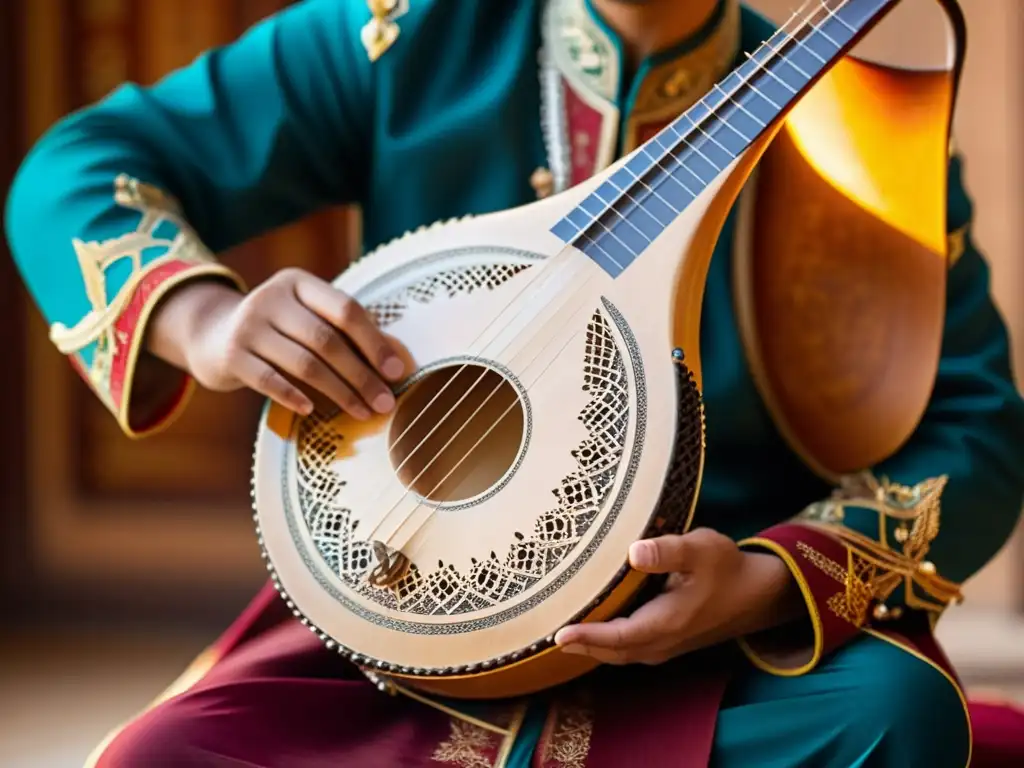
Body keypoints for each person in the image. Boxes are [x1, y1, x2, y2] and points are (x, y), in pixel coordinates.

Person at [6, 0, 1024, 766]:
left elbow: (974, 428)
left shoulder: (846, 128)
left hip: (713, 651)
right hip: (403, 630)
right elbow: (83, 164)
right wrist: (207, 320)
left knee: (893, 722)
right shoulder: (407, 36)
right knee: (161, 757)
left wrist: (764, 581)